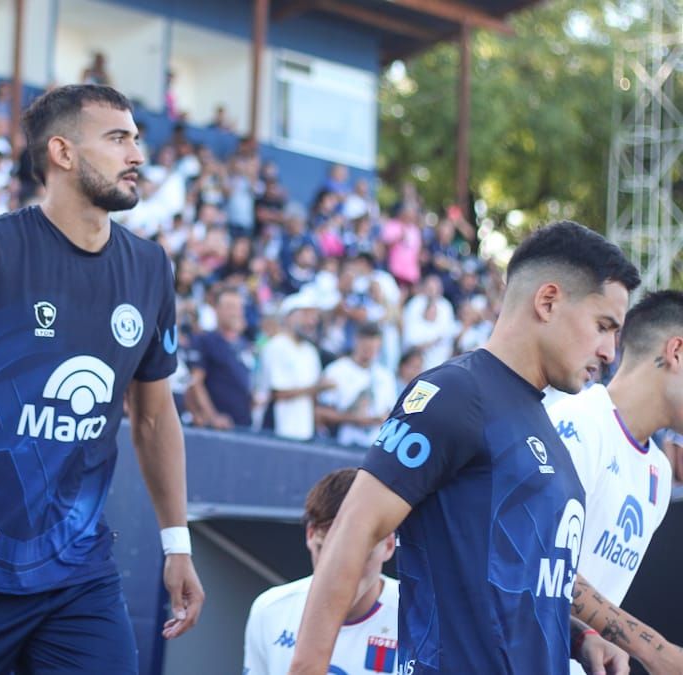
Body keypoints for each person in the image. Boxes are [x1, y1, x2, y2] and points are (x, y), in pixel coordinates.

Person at [0, 84, 203, 673]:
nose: (137, 155)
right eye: (118, 139)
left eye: (136, 139)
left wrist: (176, 542)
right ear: (63, 152)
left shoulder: (151, 268)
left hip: (76, 577)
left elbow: (154, 420)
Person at [288, 221, 639, 675]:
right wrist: (306, 667)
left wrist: (578, 636)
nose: (610, 351)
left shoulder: (540, 421)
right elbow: (355, 528)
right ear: (548, 301)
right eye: (603, 326)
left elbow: (516, 587)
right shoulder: (455, 392)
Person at [549, 290, 683, 674]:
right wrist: (658, 652)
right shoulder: (575, 422)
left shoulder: (657, 472)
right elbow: (539, 562)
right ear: (676, 351)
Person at [244, 468, 397, 674]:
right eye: (329, 553)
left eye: (362, 555)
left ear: (388, 545)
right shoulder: (270, 610)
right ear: (310, 535)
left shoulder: (421, 617)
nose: (344, 573)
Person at [261, 291, 328, 440]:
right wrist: (317, 388)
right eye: (305, 315)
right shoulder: (276, 345)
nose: (311, 322)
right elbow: (278, 393)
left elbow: (312, 398)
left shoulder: (310, 351)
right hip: (276, 429)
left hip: (304, 431)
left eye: (314, 316)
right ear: (289, 316)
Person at [316, 323, 395, 448]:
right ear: (356, 341)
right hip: (340, 443)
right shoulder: (336, 370)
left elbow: (389, 413)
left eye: (373, 348)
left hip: (373, 447)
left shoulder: (385, 376)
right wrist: (355, 419)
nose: (369, 351)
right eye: (365, 346)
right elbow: (320, 413)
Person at [187, 287, 254, 429]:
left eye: (238, 307)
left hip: (243, 424)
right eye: (230, 307)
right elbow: (195, 383)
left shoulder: (243, 344)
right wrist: (213, 417)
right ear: (216, 309)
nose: (235, 312)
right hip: (217, 427)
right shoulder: (205, 340)